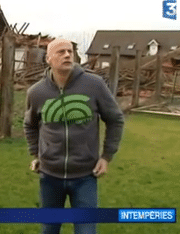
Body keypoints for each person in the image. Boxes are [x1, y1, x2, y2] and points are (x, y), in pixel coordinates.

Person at [24, 39, 124, 234]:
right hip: (50, 177)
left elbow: (115, 120)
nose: (67, 55)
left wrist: (106, 157)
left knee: (86, 230)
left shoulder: (94, 85)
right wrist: (35, 154)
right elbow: (30, 125)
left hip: (85, 176)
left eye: (70, 51)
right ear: (48, 59)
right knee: (49, 230)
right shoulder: (36, 92)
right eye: (61, 52)